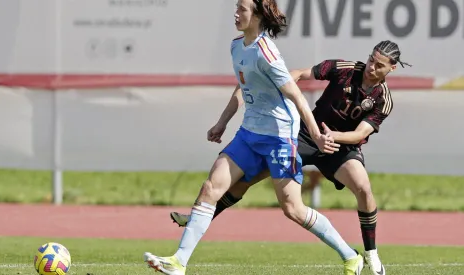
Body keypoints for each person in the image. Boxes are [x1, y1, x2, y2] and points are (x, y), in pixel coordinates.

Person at [144, 0, 365, 274]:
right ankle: (179, 262)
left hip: (280, 138)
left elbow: (295, 95)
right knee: (211, 187)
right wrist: (222, 122)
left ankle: (350, 256)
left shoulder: (267, 53)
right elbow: (243, 85)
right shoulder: (237, 46)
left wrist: (317, 136)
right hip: (249, 134)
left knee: (293, 208)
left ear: (258, 15)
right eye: (236, 7)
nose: (236, 13)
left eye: (243, 9)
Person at [169, 40, 411, 275]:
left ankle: (371, 253)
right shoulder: (345, 69)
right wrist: (282, 86)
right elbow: (301, 74)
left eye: (379, 65)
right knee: (244, 180)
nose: (371, 67)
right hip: (305, 135)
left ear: (392, 68)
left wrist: (330, 136)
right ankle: (197, 219)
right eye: (371, 60)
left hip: (341, 146)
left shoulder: (383, 100)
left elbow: (359, 133)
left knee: (363, 188)